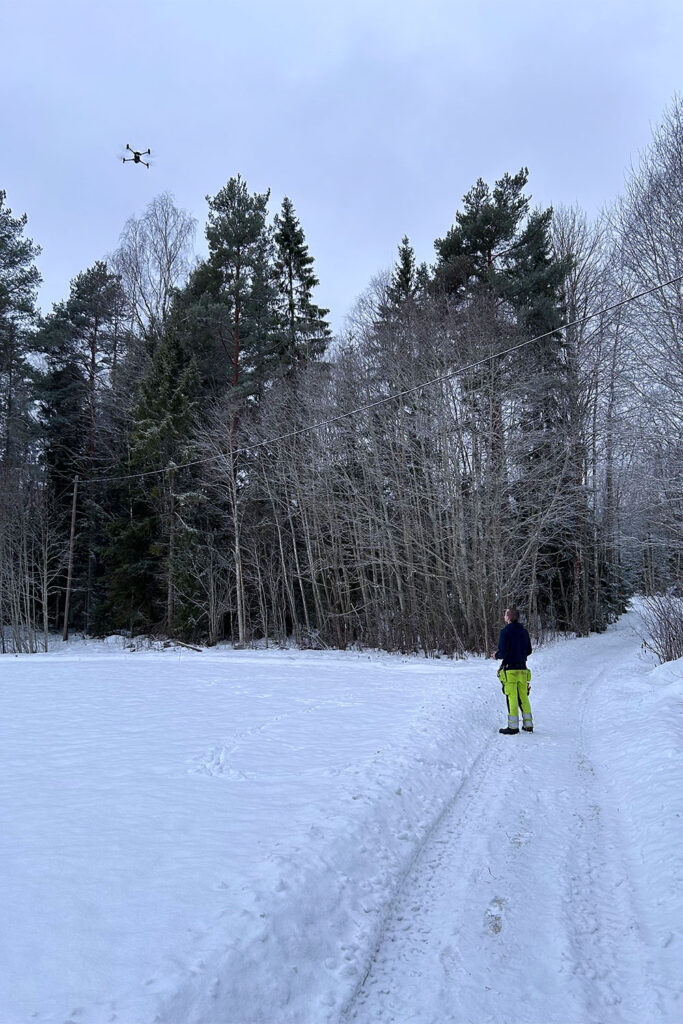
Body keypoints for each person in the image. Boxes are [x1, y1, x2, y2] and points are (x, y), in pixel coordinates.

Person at [492, 607, 533, 735]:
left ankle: (513, 727)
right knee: (524, 697)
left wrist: (496, 655)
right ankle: (528, 725)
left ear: (508, 617)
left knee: (512, 697)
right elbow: (529, 650)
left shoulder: (505, 632)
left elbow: (503, 652)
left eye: (505, 614)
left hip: (510, 670)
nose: (504, 616)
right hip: (523, 669)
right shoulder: (524, 632)